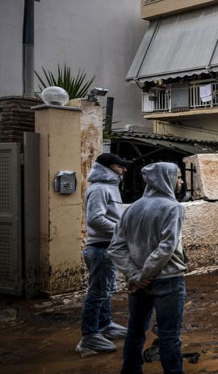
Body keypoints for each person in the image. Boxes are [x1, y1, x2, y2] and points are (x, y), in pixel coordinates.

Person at [109, 162, 187, 374]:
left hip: (138, 283)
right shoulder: (173, 208)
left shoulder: (132, 208)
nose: (181, 182)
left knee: (135, 331)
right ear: (166, 179)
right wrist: (143, 275)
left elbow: (116, 247)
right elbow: (167, 247)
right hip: (168, 279)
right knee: (169, 334)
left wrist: (135, 276)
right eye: (178, 177)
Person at [76, 152, 131, 356]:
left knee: (105, 290)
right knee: (97, 293)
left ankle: (105, 325)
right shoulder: (99, 189)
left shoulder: (110, 187)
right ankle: (89, 336)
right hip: (100, 248)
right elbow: (95, 219)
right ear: (106, 167)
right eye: (119, 166)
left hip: (109, 247)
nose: (124, 169)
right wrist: (122, 230)